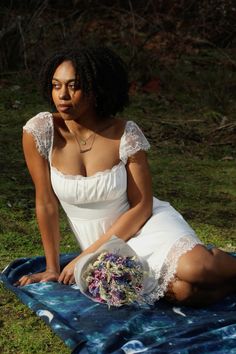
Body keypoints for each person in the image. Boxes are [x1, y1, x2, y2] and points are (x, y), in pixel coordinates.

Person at [17, 46, 236, 307]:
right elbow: (45, 203)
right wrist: (52, 267)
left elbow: (142, 205)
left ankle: (215, 260)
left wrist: (88, 254)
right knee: (186, 292)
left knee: (199, 270)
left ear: (96, 89)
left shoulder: (125, 133)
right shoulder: (40, 132)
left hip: (145, 223)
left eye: (73, 86)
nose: (62, 95)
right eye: (56, 86)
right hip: (103, 246)